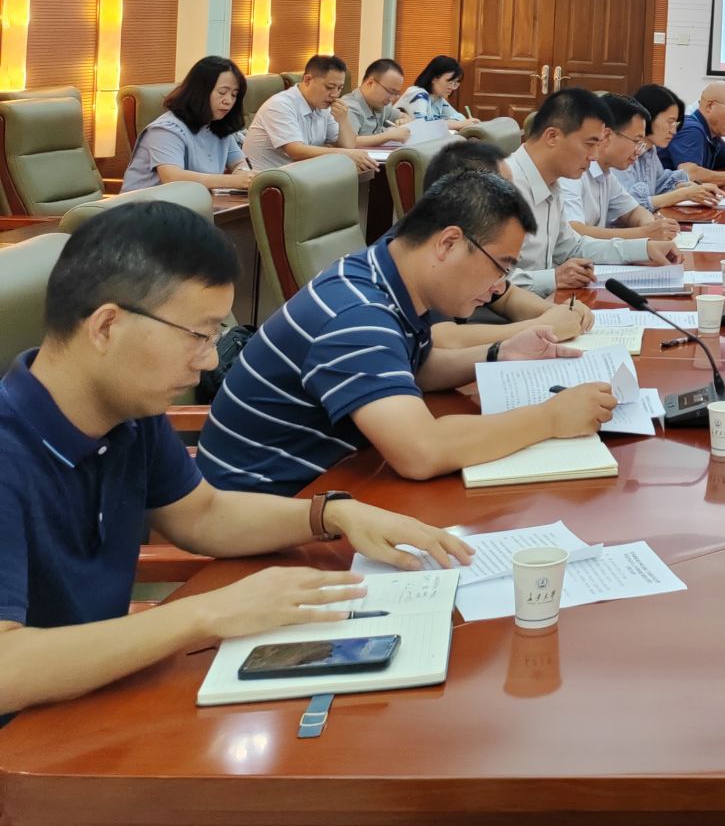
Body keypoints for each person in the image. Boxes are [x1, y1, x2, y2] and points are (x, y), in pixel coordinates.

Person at [0, 204, 474, 718]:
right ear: (107, 326)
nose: (210, 360)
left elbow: (202, 515)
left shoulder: (128, 414)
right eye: (198, 335)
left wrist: (332, 514)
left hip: (95, 701)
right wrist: (207, 612)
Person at [198, 170, 616, 495]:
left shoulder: (383, 271)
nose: (498, 287)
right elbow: (421, 452)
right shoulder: (357, 316)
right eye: (500, 267)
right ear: (448, 243)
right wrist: (551, 417)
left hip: (332, 484)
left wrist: (497, 352)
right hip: (265, 514)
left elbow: (414, 368)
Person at [412, 140, 594, 350]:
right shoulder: (419, 250)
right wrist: (540, 326)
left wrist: (557, 312)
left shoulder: (473, 236)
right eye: (506, 194)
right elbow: (442, 338)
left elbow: (507, 296)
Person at [505, 88, 686, 298]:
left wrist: (643, 249)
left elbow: (572, 246)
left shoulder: (551, 182)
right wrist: (553, 278)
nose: (593, 156)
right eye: (590, 144)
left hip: (543, 305)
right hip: (507, 316)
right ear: (552, 136)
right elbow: (486, 281)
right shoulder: (502, 186)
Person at [118, 55, 253, 193]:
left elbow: (238, 162)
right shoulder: (165, 130)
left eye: (234, 95)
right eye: (222, 92)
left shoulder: (217, 126)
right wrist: (234, 181)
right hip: (147, 204)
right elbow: (172, 177)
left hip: (196, 202)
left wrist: (242, 173)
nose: (228, 101)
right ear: (199, 91)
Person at [569, 94, 685, 241]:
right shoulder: (572, 171)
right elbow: (574, 231)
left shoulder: (606, 174)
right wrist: (646, 232)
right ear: (607, 136)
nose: (638, 151)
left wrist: (651, 226)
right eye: (636, 141)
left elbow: (633, 212)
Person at [242, 54, 375, 176]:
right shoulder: (280, 105)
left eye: (339, 88)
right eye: (329, 87)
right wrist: (345, 154)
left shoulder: (323, 106)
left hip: (302, 177)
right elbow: (296, 151)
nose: (335, 94)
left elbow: (348, 145)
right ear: (307, 80)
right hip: (268, 182)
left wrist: (343, 119)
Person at [624, 84, 722, 212]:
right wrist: (684, 194)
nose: (674, 131)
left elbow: (659, 184)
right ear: (648, 116)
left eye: (676, 124)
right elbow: (629, 207)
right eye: (670, 122)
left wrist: (691, 187)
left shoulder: (649, 150)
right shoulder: (622, 152)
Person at [341, 58, 412, 148]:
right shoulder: (348, 107)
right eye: (391, 91)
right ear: (370, 83)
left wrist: (405, 120)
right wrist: (389, 136)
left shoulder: (381, 105)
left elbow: (403, 116)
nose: (392, 99)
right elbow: (350, 141)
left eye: (397, 93)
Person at [398, 55, 471, 123]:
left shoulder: (438, 98)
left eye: (455, 83)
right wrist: (459, 124)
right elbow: (422, 125)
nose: (452, 87)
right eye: (449, 82)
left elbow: (460, 117)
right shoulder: (418, 94)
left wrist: (454, 123)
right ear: (434, 78)